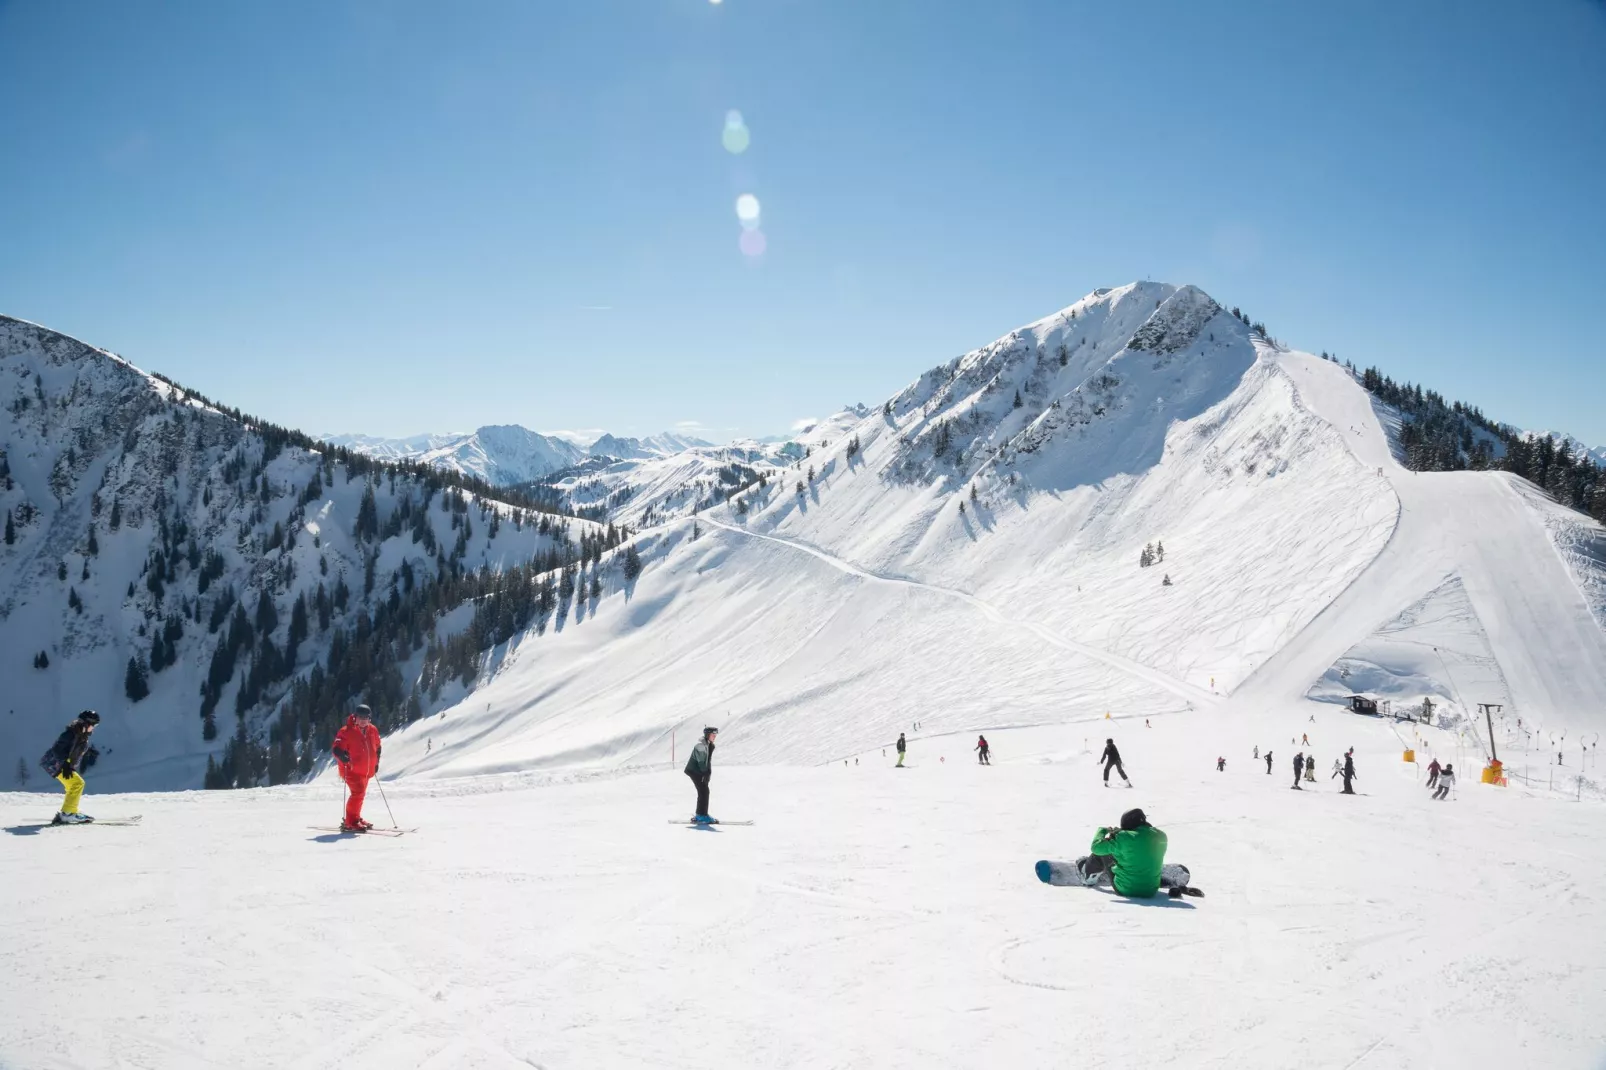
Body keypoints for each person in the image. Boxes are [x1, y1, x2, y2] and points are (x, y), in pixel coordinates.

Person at [1074, 809, 1200, 898]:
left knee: (1105, 851)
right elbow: (1139, 842)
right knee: (1140, 854)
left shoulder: (1124, 837)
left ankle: (1088, 875)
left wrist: (1102, 831)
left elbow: (1096, 847)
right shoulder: (1161, 836)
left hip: (1126, 890)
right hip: (1151, 891)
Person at [42, 710, 100, 824]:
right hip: (55, 763)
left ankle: (68, 812)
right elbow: (57, 749)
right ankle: (68, 813)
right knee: (77, 784)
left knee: (74, 785)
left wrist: (69, 765)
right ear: (87, 723)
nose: (94, 728)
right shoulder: (71, 734)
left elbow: (73, 753)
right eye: (94, 725)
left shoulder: (80, 734)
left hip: (60, 764)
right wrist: (66, 764)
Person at [332, 704, 382, 832]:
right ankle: (350, 822)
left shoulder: (373, 730)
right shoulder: (346, 731)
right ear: (355, 717)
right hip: (351, 770)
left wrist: (376, 763)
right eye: (361, 717)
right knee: (358, 793)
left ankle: (356, 817)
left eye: (366, 717)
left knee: (360, 794)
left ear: (369, 718)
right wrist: (342, 756)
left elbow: (377, 746)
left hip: (366, 770)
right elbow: (336, 748)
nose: (363, 720)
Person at [683, 726, 718, 822]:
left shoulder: (708, 744)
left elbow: (707, 762)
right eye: (713, 735)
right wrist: (705, 773)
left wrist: (707, 774)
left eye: (715, 735)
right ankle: (701, 815)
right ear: (707, 735)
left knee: (704, 791)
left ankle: (701, 814)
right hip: (694, 771)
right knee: (704, 791)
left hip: (698, 771)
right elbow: (701, 762)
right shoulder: (701, 746)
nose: (714, 736)